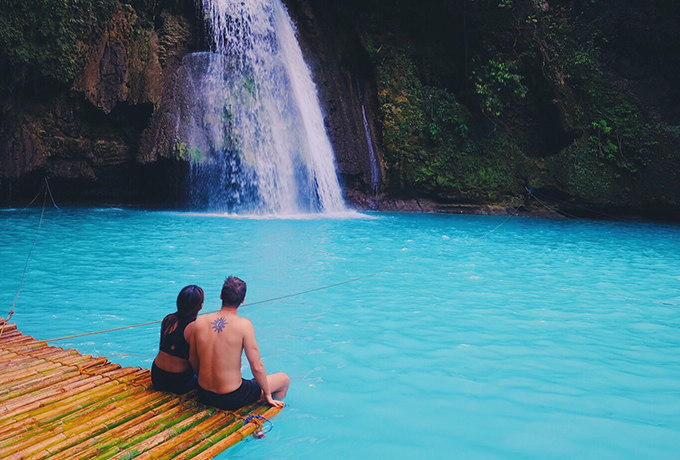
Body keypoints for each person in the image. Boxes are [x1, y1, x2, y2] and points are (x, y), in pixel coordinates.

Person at [190, 276, 289, 410]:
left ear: (221, 296)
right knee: (284, 380)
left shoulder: (200, 322)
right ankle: (264, 410)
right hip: (231, 397)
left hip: (204, 394)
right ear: (243, 300)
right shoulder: (244, 325)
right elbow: (257, 366)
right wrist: (267, 393)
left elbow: (193, 359)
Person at [151, 285, 204, 394]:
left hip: (157, 375)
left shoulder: (168, 319)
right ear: (200, 306)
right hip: (178, 381)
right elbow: (194, 360)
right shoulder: (194, 327)